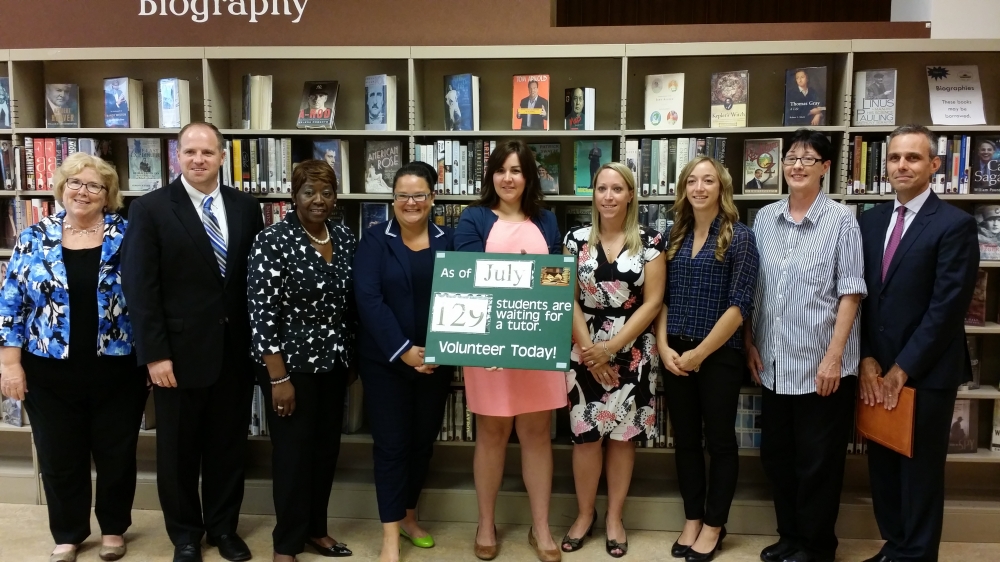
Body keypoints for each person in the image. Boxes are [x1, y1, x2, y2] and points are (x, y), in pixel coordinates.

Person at [121, 122, 265, 562]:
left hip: (234, 354)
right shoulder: (150, 209)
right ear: (176, 157)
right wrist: (155, 355)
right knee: (179, 453)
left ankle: (224, 529)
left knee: (227, 449)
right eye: (189, 152)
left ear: (222, 156)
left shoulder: (246, 207)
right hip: (177, 358)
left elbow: (251, 283)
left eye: (207, 152)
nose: (198, 159)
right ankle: (185, 534)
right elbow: (140, 288)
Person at [0, 152, 146, 562]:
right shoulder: (33, 236)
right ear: (62, 188)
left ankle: (114, 528)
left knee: (116, 454)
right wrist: (9, 364)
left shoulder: (128, 235)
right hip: (47, 372)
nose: (83, 191)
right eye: (75, 183)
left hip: (117, 367)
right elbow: (11, 303)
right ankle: (69, 533)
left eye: (94, 185)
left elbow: (148, 298)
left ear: (108, 195)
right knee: (59, 455)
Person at [857, 124, 980, 562]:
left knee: (920, 470)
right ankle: (895, 546)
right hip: (876, 370)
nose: (901, 165)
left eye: (912, 157)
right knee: (884, 466)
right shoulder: (869, 221)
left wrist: (902, 368)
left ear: (934, 165)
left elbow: (947, 308)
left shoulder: (955, 225)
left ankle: (918, 554)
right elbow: (863, 296)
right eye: (894, 158)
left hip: (925, 371)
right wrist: (868, 357)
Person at [744, 130, 866, 562]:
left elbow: (850, 292)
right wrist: (750, 341)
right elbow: (755, 289)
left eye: (808, 158)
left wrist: (834, 358)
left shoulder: (841, 220)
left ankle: (817, 547)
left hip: (821, 369)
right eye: (791, 157)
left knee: (818, 464)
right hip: (775, 363)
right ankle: (791, 536)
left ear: (825, 168)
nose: (797, 165)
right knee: (778, 457)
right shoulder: (765, 218)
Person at [453, 140, 564, 562]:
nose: (508, 177)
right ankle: (485, 522)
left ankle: (541, 527)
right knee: (492, 433)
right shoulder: (475, 218)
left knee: (537, 435)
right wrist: (493, 337)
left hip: (535, 342)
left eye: (517, 170)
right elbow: (467, 279)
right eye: (501, 169)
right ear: (491, 175)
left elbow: (555, 283)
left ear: (529, 176)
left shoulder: (546, 221)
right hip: (488, 346)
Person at [248, 159, 357, 562]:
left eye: (326, 192)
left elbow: (349, 305)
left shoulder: (344, 237)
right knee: (293, 456)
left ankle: (316, 529)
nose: (318, 200)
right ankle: (286, 544)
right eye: (309, 192)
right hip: (289, 368)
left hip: (333, 364)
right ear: (293, 196)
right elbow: (261, 313)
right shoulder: (273, 240)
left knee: (325, 451)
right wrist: (278, 378)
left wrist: (351, 359)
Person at [654, 155, 759, 562]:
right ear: (684, 189)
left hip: (718, 357)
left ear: (721, 188)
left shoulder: (740, 236)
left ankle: (715, 524)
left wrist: (700, 353)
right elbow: (660, 299)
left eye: (708, 181)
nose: (699, 188)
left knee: (719, 442)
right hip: (675, 354)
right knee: (686, 443)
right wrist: (664, 347)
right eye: (692, 181)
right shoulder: (672, 236)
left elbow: (739, 306)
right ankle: (692, 518)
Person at [562, 162, 666, 558]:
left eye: (617, 189)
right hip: (581, 346)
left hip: (633, 350)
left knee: (624, 439)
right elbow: (567, 297)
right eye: (601, 188)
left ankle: (614, 518)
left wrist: (612, 348)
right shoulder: (574, 241)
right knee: (586, 438)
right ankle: (584, 515)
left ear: (630, 195)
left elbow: (653, 301)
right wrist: (591, 351)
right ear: (594, 194)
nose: (608, 196)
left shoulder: (651, 241)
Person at [354, 162, 454, 562]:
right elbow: (369, 299)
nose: (410, 202)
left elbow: (465, 296)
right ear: (392, 200)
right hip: (386, 363)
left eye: (419, 195)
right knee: (392, 447)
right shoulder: (375, 240)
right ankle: (391, 535)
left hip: (437, 361)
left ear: (432, 197)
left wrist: (435, 351)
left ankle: (411, 517)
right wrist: (404, 351)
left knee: (421, 444)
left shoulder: (451, 242)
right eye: (402, 196)